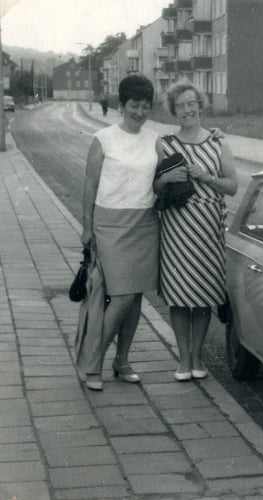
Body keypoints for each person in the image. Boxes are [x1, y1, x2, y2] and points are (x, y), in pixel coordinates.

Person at [78, 75, 161, 391]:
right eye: (134, 105)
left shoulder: (155, 139)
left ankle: (121, 360)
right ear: (122, 105)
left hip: (145, 224)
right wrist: (87, 226)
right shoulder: (104, 138)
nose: (139, 112)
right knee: (122, 296)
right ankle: (93, 362)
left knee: (135, 297)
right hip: (110, 225)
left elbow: (167, 171)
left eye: (145, 106)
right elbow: (89, 184)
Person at [154, 79, 238, 381]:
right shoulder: (165, 144)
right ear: (174, 111)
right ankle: (183, 359)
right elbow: (154, 186)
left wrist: (206, 177)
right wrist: (166, 179)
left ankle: (198, 359)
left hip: (207, 228)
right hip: (177, 228)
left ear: (199, 105)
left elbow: (232, 186)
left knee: (203, 296)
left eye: (192, 103)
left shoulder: (218, 142)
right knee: (179, 296)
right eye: (181, 106)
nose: (187, 110)